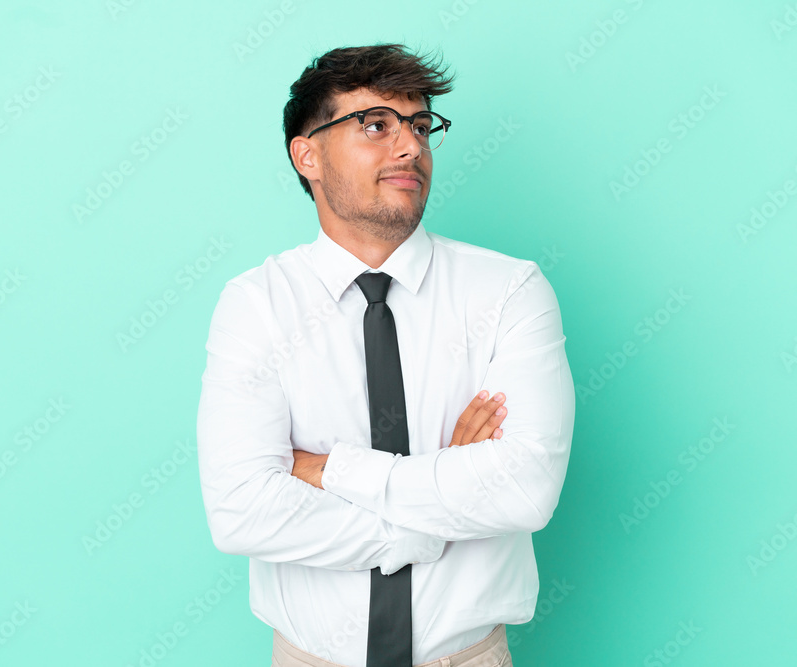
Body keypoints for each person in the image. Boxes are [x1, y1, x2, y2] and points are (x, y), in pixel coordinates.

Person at [196, 43, 575, 667]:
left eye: (420, 126)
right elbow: (243, 511)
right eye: (376, 125)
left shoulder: (509, 290)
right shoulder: (256, 304)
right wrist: (436, 505)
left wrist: (332, 470)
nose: (410, 148)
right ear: (307, 155)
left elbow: (524, 489)